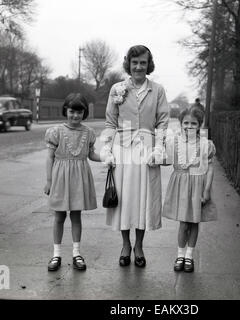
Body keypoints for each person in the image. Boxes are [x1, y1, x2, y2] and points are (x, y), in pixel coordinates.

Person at [100, 45, 169, 267]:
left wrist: (159, 148)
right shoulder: (117, 89)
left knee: (143, 200)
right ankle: (125, 244)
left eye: (142, 62)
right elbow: (110, 122)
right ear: (128, 64)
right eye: (134, 62)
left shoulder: (157, 90)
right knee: (123, 199)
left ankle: (138, 245)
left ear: (148, 64)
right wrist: (107, 148)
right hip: (122, 150)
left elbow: (162, 122)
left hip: (147, 151)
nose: (138, 66)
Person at [44, 93, 103, 272]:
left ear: (84, 113)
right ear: (66, 111)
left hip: (79, 179)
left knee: (76, 216)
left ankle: (77, 253)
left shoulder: (88, 132)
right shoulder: (56, 132)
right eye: (72, 111)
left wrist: (105, 157)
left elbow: (91, 154)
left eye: (79, 112)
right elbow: (49, 157)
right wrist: (49, 181)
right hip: (60, 179)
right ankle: (56, 254)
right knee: (59, 216)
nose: (75, 116)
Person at [162, 107, 217, 272]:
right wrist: (155, 159)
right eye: (186, 122)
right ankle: (180, 254)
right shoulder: (174, 142)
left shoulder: (206, 145)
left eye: (193, 123)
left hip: (198, 186)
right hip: (181, 185)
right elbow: (167, 160)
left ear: (199, 125)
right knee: (184, 223)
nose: (189, 126)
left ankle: (189, 256)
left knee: (194, 222)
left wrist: (206, 190)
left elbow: (210, 168)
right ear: (180, 124)